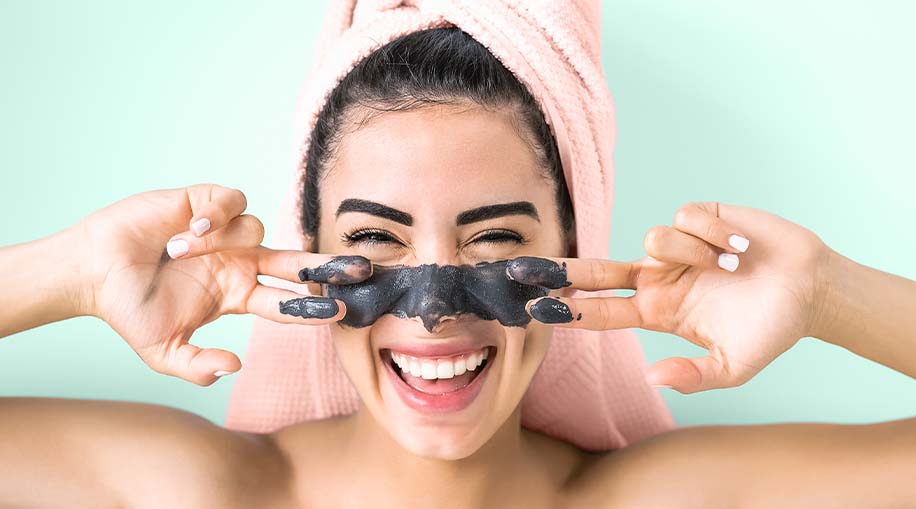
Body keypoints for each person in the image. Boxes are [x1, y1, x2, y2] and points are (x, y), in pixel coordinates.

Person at [1, 26, 914, 509]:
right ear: (306, 255)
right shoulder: (191, 493)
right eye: (372, 243)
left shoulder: (664, 499)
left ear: (572, 245)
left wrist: (826, 294)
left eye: (495, 242)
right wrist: (72, 272)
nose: (434, 310)